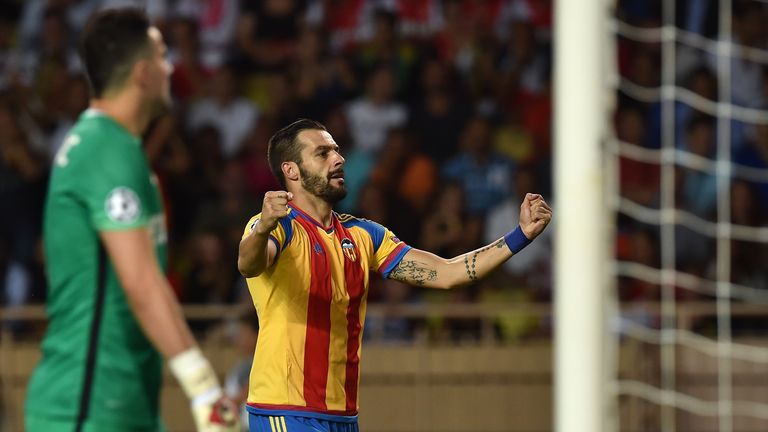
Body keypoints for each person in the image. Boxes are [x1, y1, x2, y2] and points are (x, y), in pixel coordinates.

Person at [237, 119, 552, 431]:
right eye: (323, 153)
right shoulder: (277, 227)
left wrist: (519, 236)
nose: (338, 159)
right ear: (291, 170)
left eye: (336, 150)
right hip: (285, 409)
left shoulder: (363, 234)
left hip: (343, 415)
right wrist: (264, 226)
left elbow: (447, 273)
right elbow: (249, 264)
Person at [25, 9, 237, 432]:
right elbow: (140, 283)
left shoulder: (117, 149)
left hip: (124, 402)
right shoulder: (105, 150)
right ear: (142, 73)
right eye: (162, 56)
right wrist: (203, 389)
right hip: (85, 406)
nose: (170, 66)